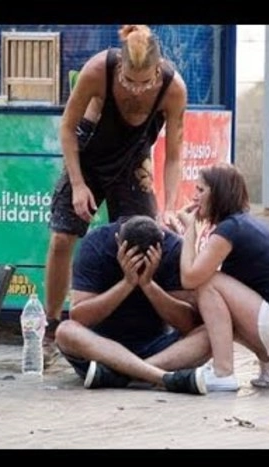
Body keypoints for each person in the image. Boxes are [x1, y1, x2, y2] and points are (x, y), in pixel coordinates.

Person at [43, 25, 188, 368]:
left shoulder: (173, 89)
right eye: (129, 81)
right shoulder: (98, 70)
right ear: (120, 65)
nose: (136, 89)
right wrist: (78, 184)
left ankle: (139, 330)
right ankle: (51, 326)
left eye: (145, 82)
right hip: (89, 155)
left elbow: (174, 156)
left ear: (158, 69)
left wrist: (169, 207)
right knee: (62, 237)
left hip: (133, 161)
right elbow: (67, 128)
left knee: (144, 240)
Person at [175, 163, 269, 392]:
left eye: (201, 190)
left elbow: (190, 278)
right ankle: (268, 358)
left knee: (208, 283)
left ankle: (223, 373)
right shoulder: (240, 224)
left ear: (218, 193)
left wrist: (189, 230)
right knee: (210, 301)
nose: (194, 197)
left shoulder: (230, 229)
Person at [54, 215, 210, 395]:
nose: (140, 265)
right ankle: (162, 377)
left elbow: (188, 323)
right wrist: (127, 283)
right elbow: (79, 317)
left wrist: (148, 285)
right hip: (101, 349)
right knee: (65, 331)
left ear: (161, 243)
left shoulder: (173, 248)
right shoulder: (95, 244)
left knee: (213, 332)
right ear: (117, 241)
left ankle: (124, 375)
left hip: (158, 350)